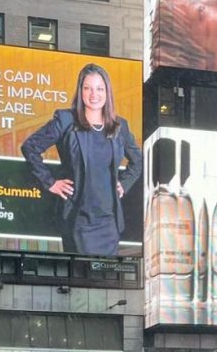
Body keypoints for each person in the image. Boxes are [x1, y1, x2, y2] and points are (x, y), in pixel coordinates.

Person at [21, 62, 141, 257]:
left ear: (107, 92)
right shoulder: (66, 120)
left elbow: (138, 161)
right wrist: (49, 182)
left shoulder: (120, 127)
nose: (94, 94)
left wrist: (124, 184)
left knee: (105, 282)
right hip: (78, 220)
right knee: (82, 280)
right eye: (88, 88)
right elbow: (30, 147)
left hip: (109, 223)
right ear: (81, 91)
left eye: (100, 89)